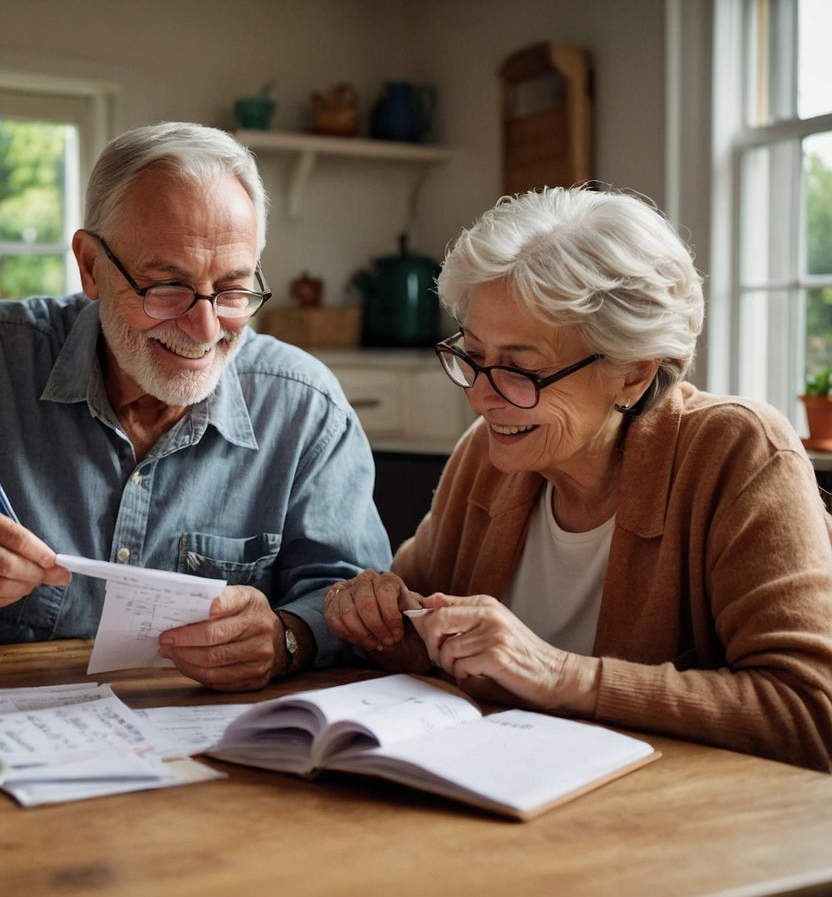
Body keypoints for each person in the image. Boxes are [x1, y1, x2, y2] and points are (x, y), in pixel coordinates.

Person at [0, 121, 392, 691]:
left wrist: (288, 637)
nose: (206, 328)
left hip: (208, 762)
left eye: (232, 288)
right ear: (92, 266)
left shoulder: (305, 407)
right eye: (168, 286)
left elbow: (357, 603)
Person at [323, 186, 832, 770]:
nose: (484, 398)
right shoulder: (487, 456)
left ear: (634, 376)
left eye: (520, 368)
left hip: (679, 834)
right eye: (474, 355)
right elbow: (412, 627)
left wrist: (562, 676)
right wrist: (373, 612)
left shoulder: (737, 452)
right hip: (502, 797)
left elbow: (810, 713)